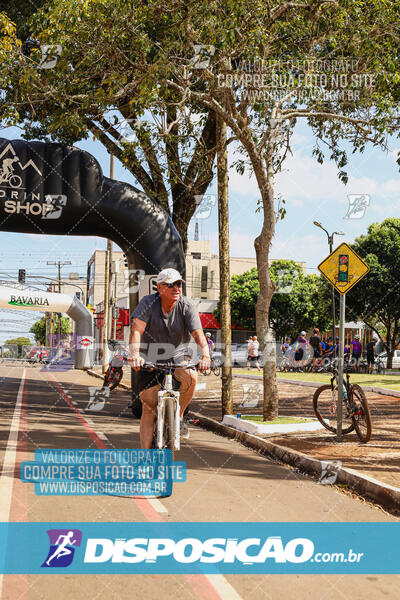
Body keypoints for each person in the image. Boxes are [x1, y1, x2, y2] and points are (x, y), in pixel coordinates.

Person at [128, 268, 210, 448]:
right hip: (150, 357)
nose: (176, 288)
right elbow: (136, 330)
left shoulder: (186, 305)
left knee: (191, 375)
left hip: (179, 355)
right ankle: (144, 456)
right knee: (148, 409)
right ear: (159, 287)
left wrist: (205, 355)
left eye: (179, 284)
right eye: (170, 284)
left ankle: (178, 417)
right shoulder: (148, 303)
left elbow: (198, 334)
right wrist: (134, 355)